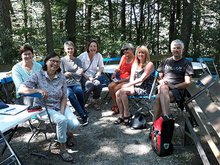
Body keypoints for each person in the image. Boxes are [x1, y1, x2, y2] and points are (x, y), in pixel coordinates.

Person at [18, 52, 80, 162]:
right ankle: (63, 149)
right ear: (46, 62)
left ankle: (66, 133)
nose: (55, 63)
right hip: (43, 108)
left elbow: (64, 97)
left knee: (75, 124)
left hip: (59, 105)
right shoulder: (38, 75)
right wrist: (37, 90)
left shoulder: (61, 77)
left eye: (58, 61)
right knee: (62, 120)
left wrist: (61, 112)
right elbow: (21, 89)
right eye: (52, 61)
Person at [153, 39, 194, 122]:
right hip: (164, 87)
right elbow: (158, 76)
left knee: (158, 97)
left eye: (178, 48)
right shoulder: (165, 61)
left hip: (177, 90)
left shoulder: (186, 63)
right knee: (164, 88)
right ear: (171, 49)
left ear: (182, 50)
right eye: (174, 48)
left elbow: (187, 82)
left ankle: (156, 125)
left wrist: (174, 86)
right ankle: (165, 118)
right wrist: (161, 81)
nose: (176, 50)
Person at [114, 45, 155, 125]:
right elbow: (132, 76)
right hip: (136, 87)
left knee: (122, 91)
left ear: (146, 54)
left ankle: (127, 114)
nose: (140, 54)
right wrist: (131, 87)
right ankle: (121, 115)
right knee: (117, 93)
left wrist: (128, 85)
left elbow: (141, 79)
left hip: (145, 88)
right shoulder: (136, 63)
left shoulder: (149, 64)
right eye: (139, 52)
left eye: (142, 53)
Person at [61, 41, 88, 126]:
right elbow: (61, 74)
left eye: (71, 48)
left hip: (76, 82)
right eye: (68, 49)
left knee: (79, 91)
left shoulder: (77, 60)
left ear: (74, 49)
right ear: (65, 49)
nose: (70, 50)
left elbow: (80, 72)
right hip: (66, 84)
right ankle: (83, 114)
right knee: (70, 95)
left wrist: (69, 74)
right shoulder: (62, 61)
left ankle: (82, 109)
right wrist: (68, 74)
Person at [108, 43, 135, 115]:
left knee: (116, 88)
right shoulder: (123, 57)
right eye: (123, 50)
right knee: (110, 86)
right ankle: (116, 104)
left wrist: (120, 81)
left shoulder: (135, 60)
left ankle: (120, 108)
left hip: (128, 80)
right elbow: (119, 67)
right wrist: (114, 73)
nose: (124, 51)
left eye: (126, 49)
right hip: (120, 78)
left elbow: (133, 76)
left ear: (132, 50)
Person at [78, 39, 104, 109]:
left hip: (93, 76)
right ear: (88, 47)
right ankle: (81, 104)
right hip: (83, 76)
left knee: (98, 84)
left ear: (97, 48)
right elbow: (78, 68)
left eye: (95, 46)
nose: (93, 48)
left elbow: (101, 67)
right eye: (91, 46)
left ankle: (95, 101)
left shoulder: (99, 55)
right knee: (90, 85)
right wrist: (87, 77)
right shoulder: (83, 56)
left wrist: (98, 73)